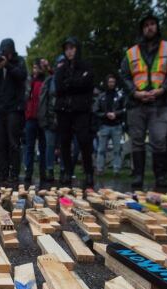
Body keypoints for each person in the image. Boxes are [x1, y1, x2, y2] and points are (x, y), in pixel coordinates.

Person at [119, 12, 167, 189]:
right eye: (146, 25)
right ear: (142, 29)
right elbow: (124, 76)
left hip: (159, 103)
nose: (149, 27)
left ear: (157, 26)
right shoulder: (131, 52)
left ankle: (160, 177)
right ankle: (138, 176)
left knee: (159, 140)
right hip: (136, 103)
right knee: (137, 140)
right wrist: (134, 92)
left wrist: (163, 89)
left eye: (152, 24)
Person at [55, 37, 96, 188]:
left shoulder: (86, 66)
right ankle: (66, 171)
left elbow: (88, 83)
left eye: (72, 48)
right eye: (67, 49)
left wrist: (71, 83)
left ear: (77, 49)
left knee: (84, 141)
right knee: (64, 142)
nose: (69, 51)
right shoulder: (61, 67)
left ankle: (88, 172)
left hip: (81, 110)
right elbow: (59, 87)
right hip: (64, 110)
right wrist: (77, 83)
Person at [0, 38, 27, 183]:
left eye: (7, 51)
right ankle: (2, 172)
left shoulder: (19, 61)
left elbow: (22, 76)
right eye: (3, 52)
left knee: (13, 142)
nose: (5, 55)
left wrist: (7, 65)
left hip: (14, 109)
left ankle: (14, 173)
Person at [37, 56, 65, 182]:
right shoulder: (49, 81)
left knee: (64, 146)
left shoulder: (69, 80)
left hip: (64, 119)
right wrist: (44, 119)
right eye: (59, 63)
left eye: (63, 63)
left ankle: (64, 171)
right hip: (50, 119)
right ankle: (50, 171)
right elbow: (43, 101)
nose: (61, 66)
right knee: (50, 146)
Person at [93, 74, 126, 176]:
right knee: (101, 149)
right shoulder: (101, 96)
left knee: (117, 149)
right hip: (104, 125)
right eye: (110, 82)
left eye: (113, 82)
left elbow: (125, 109)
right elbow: (95, 110)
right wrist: (105, 114)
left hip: (116, 125)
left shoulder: (120, 96)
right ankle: (100, 169)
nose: (111, 84)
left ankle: (116, 170)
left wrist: (116, 114)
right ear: (107, 83)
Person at [24, 61, 46, 183]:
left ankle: (43, 173)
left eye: (37, 68)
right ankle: (28, 172)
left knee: (43, 147)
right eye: (34, 67)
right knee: (29, 147)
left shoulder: (45, 81)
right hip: (30, 118)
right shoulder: (29, 82)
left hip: (41, 118)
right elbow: (25, 97)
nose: (35, 70)